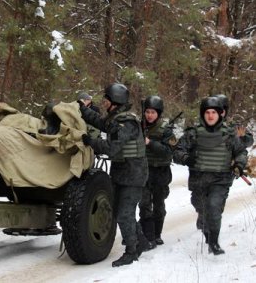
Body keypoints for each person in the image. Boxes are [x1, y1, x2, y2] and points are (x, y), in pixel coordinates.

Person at [79, 83, 148, 267]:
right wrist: (83, 111)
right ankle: (140, 241)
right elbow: (101, 123)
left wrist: (90, 142)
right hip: (123, 173)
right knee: (119, 211)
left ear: (114, 102)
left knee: (125, 214)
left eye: (106, 100)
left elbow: (111, 148)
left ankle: (131, 252)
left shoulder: (126, 123)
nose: (103, 103)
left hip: (133, 176)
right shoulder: (116, 119)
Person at [173, 96, 248, 255]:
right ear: (203, 114)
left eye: (214, 112)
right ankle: (206, 227)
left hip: (220, 180)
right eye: (207, 112)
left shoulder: (229, 135)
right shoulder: (193, 134)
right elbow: (177, 151)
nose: (210, 115)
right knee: (201, 207)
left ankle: (213, 242)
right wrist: (186, 158)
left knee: (214, 207)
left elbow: (241, 151)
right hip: (198, 180)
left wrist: (239, 164)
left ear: (220, 114)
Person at [139, 96, 176, 248]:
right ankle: (147, 235)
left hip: (160, 172)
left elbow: (168, 152)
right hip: (143, 171)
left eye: (153, 112)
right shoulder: (139, 127)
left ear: (158, 113)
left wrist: (150, 143)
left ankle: (157, 234)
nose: (149, 115)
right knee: (144, 204)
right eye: (147, 112)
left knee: (159, 206)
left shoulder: (166, 130)